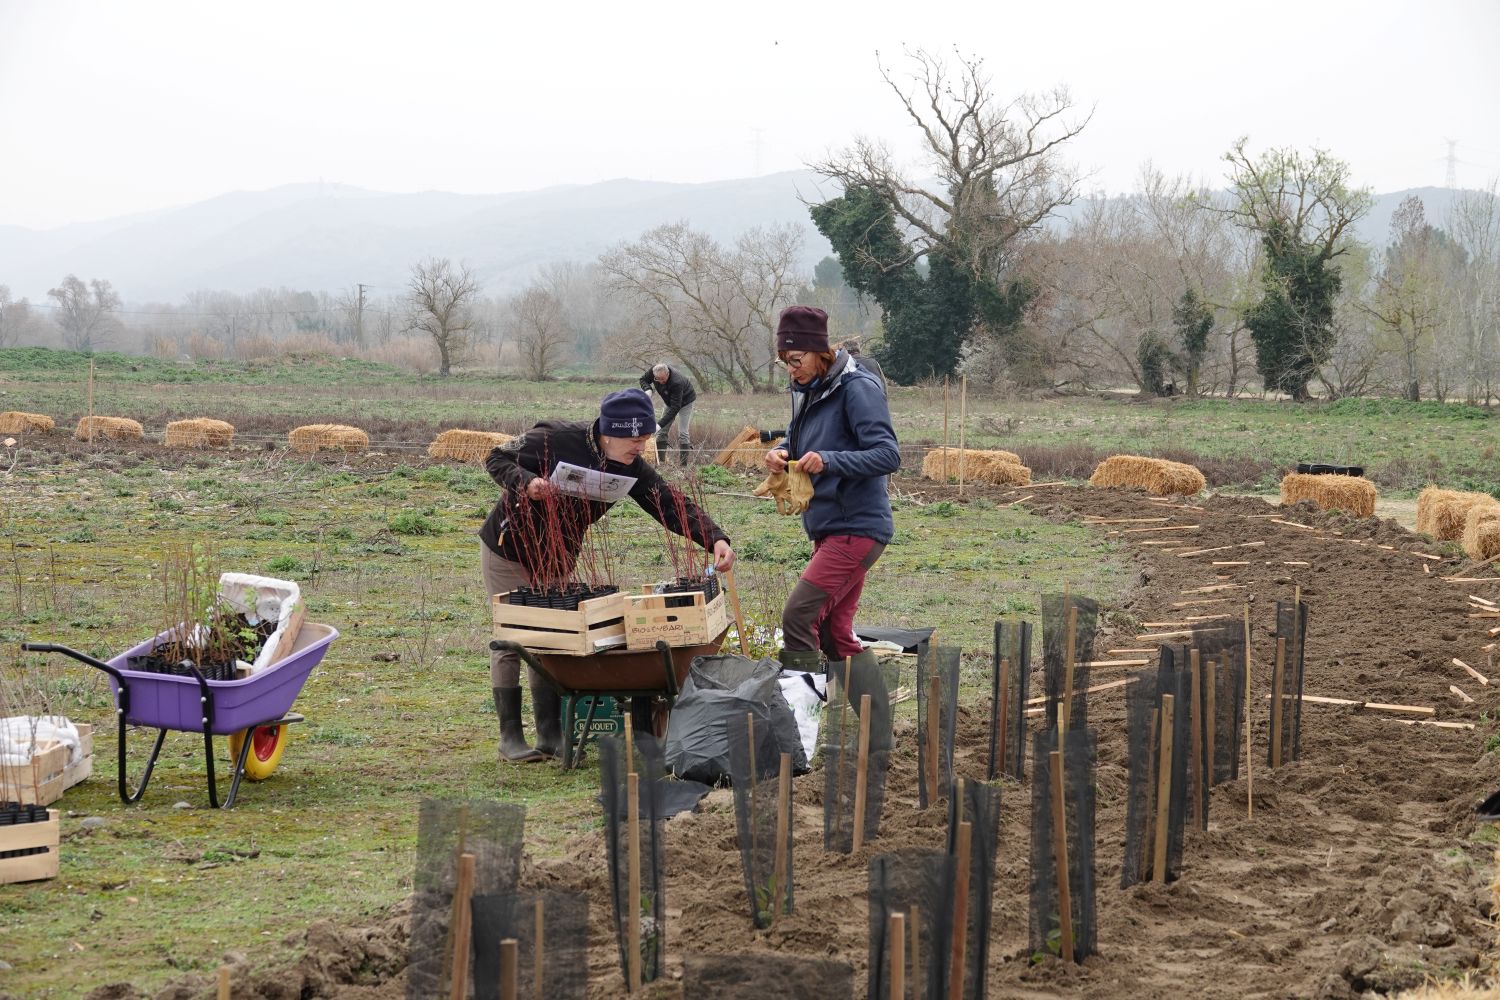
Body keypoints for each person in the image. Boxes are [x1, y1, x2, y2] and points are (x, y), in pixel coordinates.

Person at [481, 388, 735, 762]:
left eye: (647, 438)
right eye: (635, 439)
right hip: (510, 547)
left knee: (550, 638)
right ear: (609, 432)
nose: (641, 447)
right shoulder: (555, 438)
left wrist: (715, 538)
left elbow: (669, 503)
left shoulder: (630, 467)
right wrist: (526, 482)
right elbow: (496, 457)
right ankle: (510, 737)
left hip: (558, 556)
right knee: (514, 636)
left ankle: (550, 734)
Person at [764, 306, 900, 678]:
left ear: (819, 351)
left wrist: (828, 461)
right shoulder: (810, 388)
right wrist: (782, 452)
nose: (791, 369)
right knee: (833, 632)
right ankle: (873, 734)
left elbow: (888, 454)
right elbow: (798, 434)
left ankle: (801, 723)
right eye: (785, 362)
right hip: (829, 525)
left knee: (798, 617)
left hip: (857, 526)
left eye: (796, 359)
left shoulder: (857, 388)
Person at [638, 363, 698, 463]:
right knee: (661, 432)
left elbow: (675, 408)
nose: (661, 382)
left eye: (663, 379)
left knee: (683, 432)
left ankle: (683, 465)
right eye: (657, 379)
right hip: (670, 401)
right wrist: (648, 389)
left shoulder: (676, 382)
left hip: (686, 401)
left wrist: (659, 424)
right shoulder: (654, 371)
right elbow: (642, 379)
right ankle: (661, 462)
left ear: (668, 373)